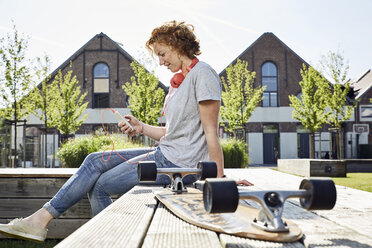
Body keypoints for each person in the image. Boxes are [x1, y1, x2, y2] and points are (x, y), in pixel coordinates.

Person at [0, 20, 253, 243]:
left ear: (178, 44)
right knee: (93, 161)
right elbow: (174, 133)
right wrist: (141, 127)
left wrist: (219, 181)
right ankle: (40, 220)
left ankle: (106, 239)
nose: (161, 61)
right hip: (166, 152)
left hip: (177, 164)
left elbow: (211, 133)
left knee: (99, 187)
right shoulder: (179, 83)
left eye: (163, 53)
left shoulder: (203, 74)